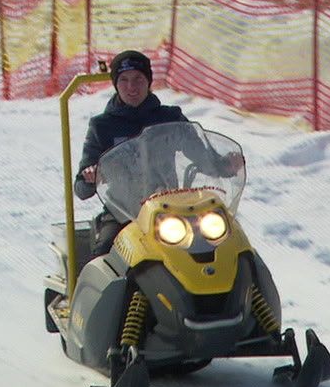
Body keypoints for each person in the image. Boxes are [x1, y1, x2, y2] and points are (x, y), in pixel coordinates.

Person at [73, 49, 243, 259]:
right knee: (104, 257)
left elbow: (201, 155)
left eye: (138, 79)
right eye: (124, 80)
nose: (131, 87)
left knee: (224, 244)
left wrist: (225, 166)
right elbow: (81, 187)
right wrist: (90, 176)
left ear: (149, 81)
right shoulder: (102, 126)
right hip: (124, 214)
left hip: (171, 208)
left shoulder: (170, 117)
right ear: (115, 84)